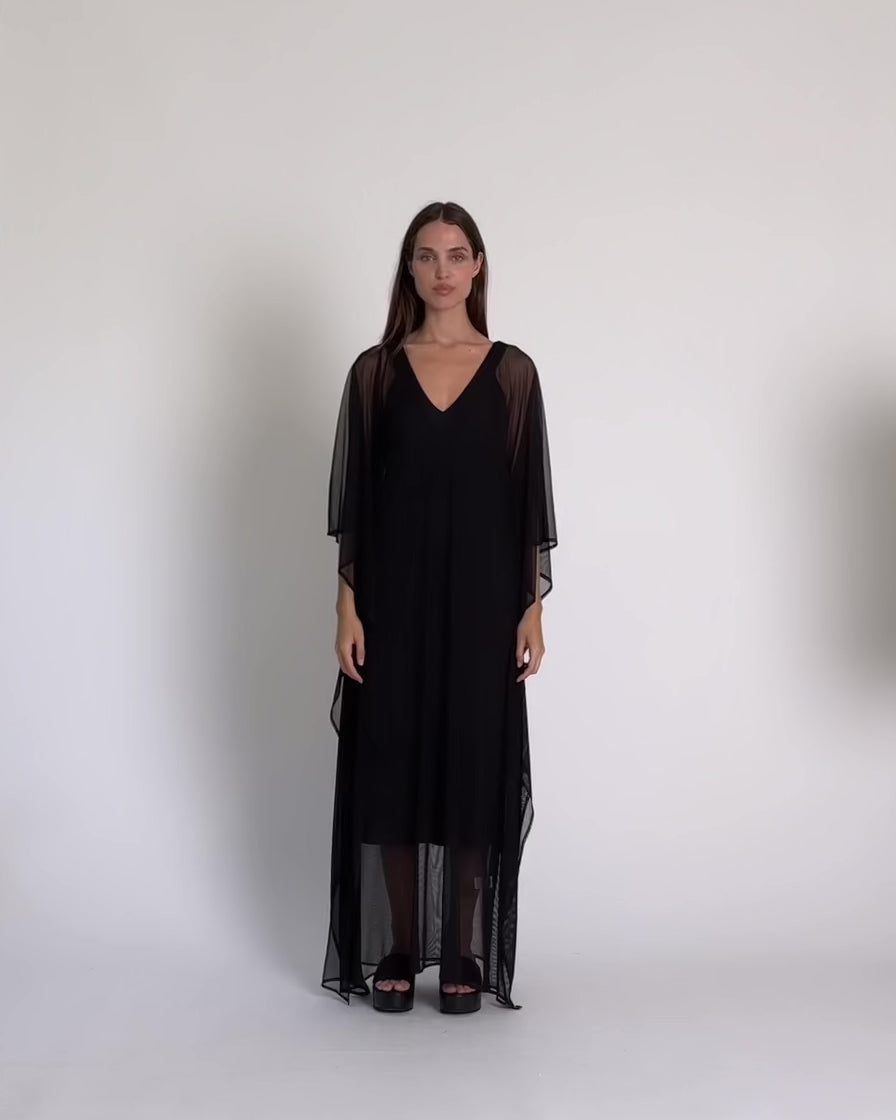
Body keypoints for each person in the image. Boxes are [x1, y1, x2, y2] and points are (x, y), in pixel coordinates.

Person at [320, 200, 557, 1013]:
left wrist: (531, 608)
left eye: (457, 255)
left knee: (471, 762)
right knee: (389, 760)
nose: (443, 271)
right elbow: (356, 508)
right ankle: (397, 945)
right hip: (391, 600)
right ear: (409, 269)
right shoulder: (374, 372)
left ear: (478, 266)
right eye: (427, 256)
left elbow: (526, 505)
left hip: (484, 602)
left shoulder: (514, 372)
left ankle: (462, 950)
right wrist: (347, 609)